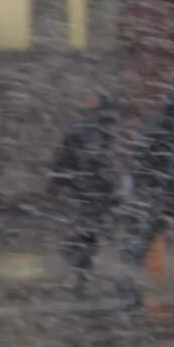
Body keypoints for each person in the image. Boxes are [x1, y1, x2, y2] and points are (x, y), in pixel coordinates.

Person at [49, 97, 119, 290]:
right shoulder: (99, 131)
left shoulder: (81, 128)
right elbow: (98, 161)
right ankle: (79, 267)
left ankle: (80, 268)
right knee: (89, 232)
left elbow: (62, 157)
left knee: (86, 231)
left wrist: (59, 181)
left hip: (82, 189)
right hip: (92, 190)